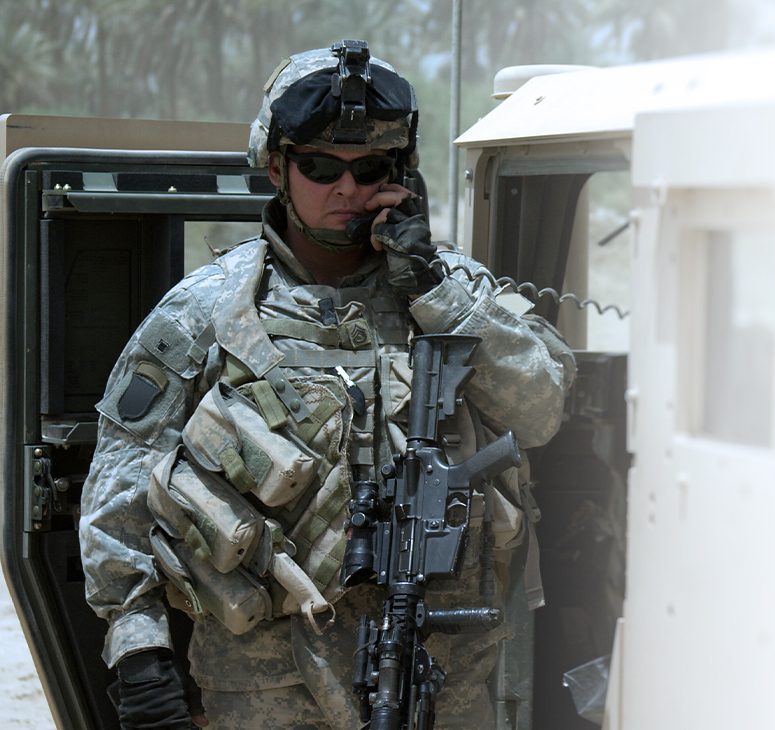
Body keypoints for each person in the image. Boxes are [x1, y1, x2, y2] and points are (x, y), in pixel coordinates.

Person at [78, 40, 575, 730]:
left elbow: (543, 410)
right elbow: (121, 491)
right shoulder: (207, 312)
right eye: (320, 168)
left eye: (371, 168)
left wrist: (431, 288)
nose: (348, 189)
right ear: (278, 167)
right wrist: (140, 657)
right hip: (267, 684)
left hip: (440, 672)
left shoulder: (453, 291)